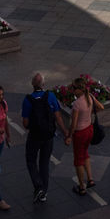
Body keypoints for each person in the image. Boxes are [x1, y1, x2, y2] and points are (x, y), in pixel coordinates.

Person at [21, 72, 68, 204]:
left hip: (34, 136)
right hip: (48, 136)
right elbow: (58, 117)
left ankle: (38, 185)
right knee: (44, 163)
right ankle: (44, 193)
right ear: (43, 84)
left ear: (32, 84)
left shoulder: (28, 100)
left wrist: (32, 126)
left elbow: (25, 123)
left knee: (31, 160)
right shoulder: (51, 96)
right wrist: (65, 132)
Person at [65, 77, 103, 194]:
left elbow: (74, 124)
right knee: (85, 154)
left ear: (79, 90)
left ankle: (82, 187)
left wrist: (69, 136)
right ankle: (90, 179)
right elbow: (101, 107)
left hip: (80, 134)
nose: (72, 90)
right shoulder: (90, 97)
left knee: (78, 161)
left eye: (74, 88)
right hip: (89, 130)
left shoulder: (77, 104)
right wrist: (89, 112)